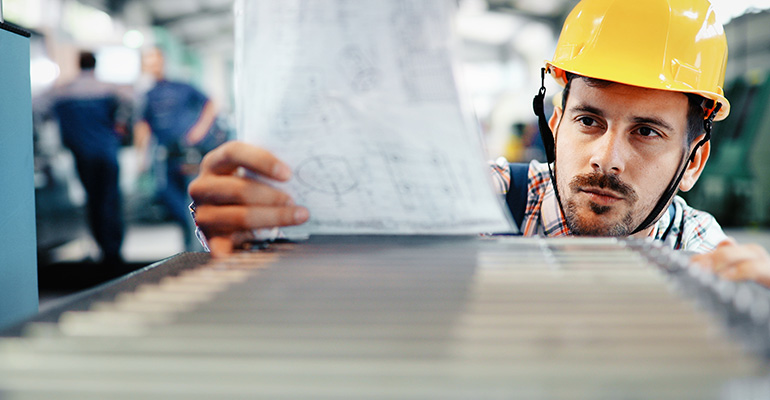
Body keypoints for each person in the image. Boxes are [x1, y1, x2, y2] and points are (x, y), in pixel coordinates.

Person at [187, 0, 770, 286]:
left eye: (646, 132)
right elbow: (343, 253)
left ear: (693, 161)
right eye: (589, 121)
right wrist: (254, 229)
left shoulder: (702, 258)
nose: (605, 158)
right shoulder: (483, 202)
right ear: (556, 123)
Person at [35, 51, 131, 266]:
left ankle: (103, 248)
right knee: (110, 200)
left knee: (93, 200)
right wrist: (121, 125)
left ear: (78, 64)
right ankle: (113, 250)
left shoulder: (62, 91)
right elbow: (132, 103)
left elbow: (37, 106)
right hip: (107, 152)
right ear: (95, 64)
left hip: (82, 154)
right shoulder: (110, 89)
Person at [134, 47, 218, 251]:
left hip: (188, 153)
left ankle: (196, 248)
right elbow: (143, 126)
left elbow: (210, 104)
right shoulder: (148, 95)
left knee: (191, 198)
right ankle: (190, 239)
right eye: (148, 61)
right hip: (165, 155)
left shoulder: (183, 87)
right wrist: (141, 157)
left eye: (155, 60)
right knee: (166, 194)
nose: (153, 65)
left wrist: (199, 130)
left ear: (163, 61)